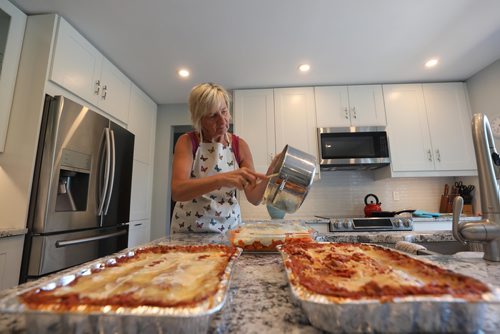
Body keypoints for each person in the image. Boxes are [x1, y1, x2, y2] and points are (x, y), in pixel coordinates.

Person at [170, 83, 274, 233]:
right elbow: (178, 191)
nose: (222, 120)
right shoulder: (187, 142)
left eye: (224, 111)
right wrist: (222, 179)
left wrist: (271, 172)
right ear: (199, 119)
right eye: (212, 116)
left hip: (229, 230)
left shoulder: (240, 145)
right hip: (189, 231)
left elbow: (254, 198)